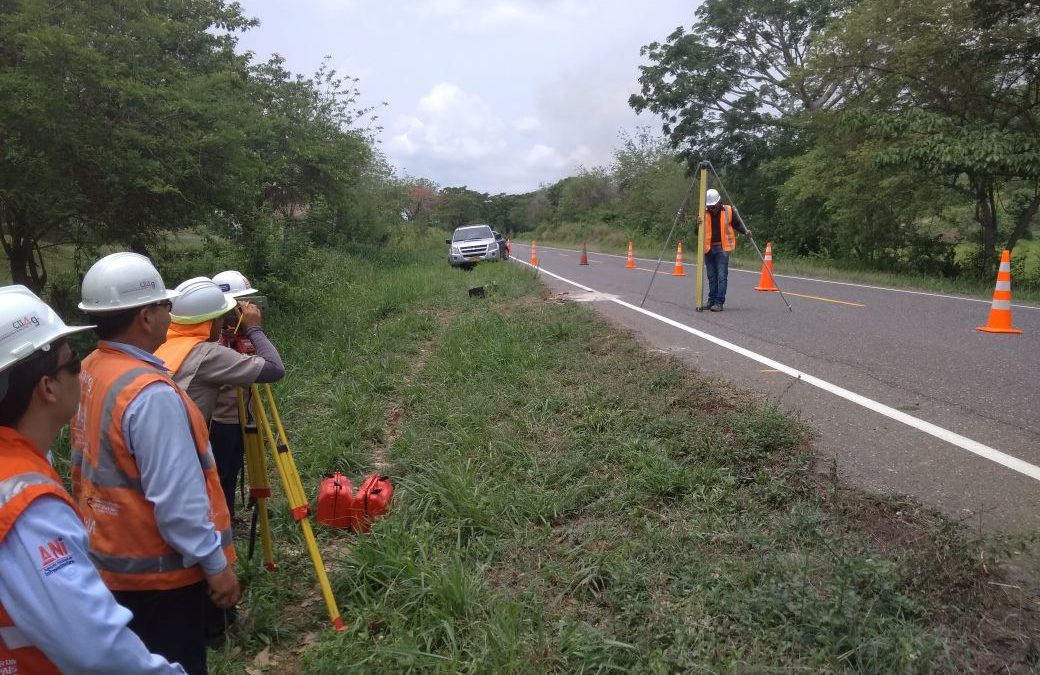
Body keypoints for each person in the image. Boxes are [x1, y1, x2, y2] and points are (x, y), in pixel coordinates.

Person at [0, 285, 184, 673]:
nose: (82, 370)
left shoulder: (22, 462)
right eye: (73, 362)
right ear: (47, 387)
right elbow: (99, 651)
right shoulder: (26, 505)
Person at [71, 252, 240, 674]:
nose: (171, 315)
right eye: (165, 306)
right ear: (146, 317)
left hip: (106, 560)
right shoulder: (149, 394)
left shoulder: (90, 369)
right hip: (160, 579)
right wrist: (216, 566)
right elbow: (177, 501)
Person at [205, 271, 283, 521]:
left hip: (244, 418)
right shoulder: (214, 346)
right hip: (221, 424)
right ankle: (221, 523)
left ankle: (229, 514)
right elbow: (274, 368)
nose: (246, 309)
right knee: (222, 475)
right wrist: (255, 330)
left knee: (233, 470)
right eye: (240, 305)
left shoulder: (239, 340)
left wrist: (249, 332)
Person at [699, 188, 751, 312]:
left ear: (719, 202)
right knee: (711, 276)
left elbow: (737, 224)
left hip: (723, 248)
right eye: (710, 207)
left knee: (722, 276)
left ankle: (719, 302)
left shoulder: (728, 210)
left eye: (714, 206)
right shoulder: (703, 212)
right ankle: (711, 301)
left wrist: (745, 231)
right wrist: (697, 224)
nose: (712, 209)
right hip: (708, 248)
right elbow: (697, 232)